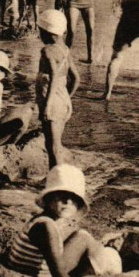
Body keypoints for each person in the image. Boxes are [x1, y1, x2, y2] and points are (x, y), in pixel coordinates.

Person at [7, 164, 132, 277]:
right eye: (61, 196)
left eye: (73, 199)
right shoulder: (46, 227)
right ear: (49, 198)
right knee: (110, 256)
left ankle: (98, 276)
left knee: (83, 236)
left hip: (34, 269)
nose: (67, 202)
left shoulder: (43, 220)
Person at [36, 9, 80, 169]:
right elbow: (76, 79)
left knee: (52, 146)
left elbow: (54, 75)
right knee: (56, 144)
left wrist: (48, 106)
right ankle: (55, 175)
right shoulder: (65, 50)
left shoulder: (47, 50)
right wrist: (66, 97)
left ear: (47, 32)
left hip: (52, 104)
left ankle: (56, 177)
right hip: (64, 102)